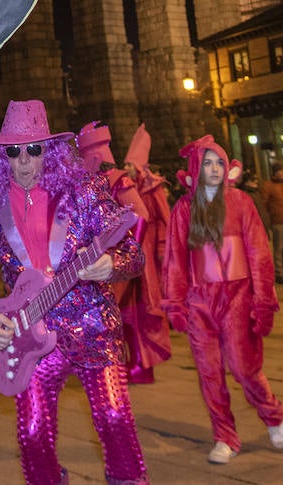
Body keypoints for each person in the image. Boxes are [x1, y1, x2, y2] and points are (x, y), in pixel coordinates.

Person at [0, 100, 148, 485]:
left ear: (51, 151)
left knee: (114, 418)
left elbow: (132, 253)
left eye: (34, 149)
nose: (24, 161)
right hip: (28, 335)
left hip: (92, 326)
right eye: (13, 151)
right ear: (0, 155)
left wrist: (112, 265)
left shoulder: (84, 190)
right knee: (33, 432)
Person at [161, 136, 283, 465]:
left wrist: (263, 300)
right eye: (207, 163)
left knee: (245, 369)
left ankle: (271, 413)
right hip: (199, 303)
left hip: (237, 299)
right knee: (210, 373)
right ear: (195, 169)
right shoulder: (184, 209)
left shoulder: (242, 202)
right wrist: (175, 302)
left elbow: (259, 254)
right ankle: (224, 435)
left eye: (219, 162)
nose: (214, 169)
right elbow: (174, 260)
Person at [105, 124, 172, 385]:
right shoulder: (124, 188)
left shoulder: (153, 190)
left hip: (145, 264)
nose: (128, 169)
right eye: (126, 164)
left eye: (132, 164)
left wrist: (162, 255)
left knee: (143, 315)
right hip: (126, 259)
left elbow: (165, 224)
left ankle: (143, 366)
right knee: (124, 314)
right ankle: (127, 363)